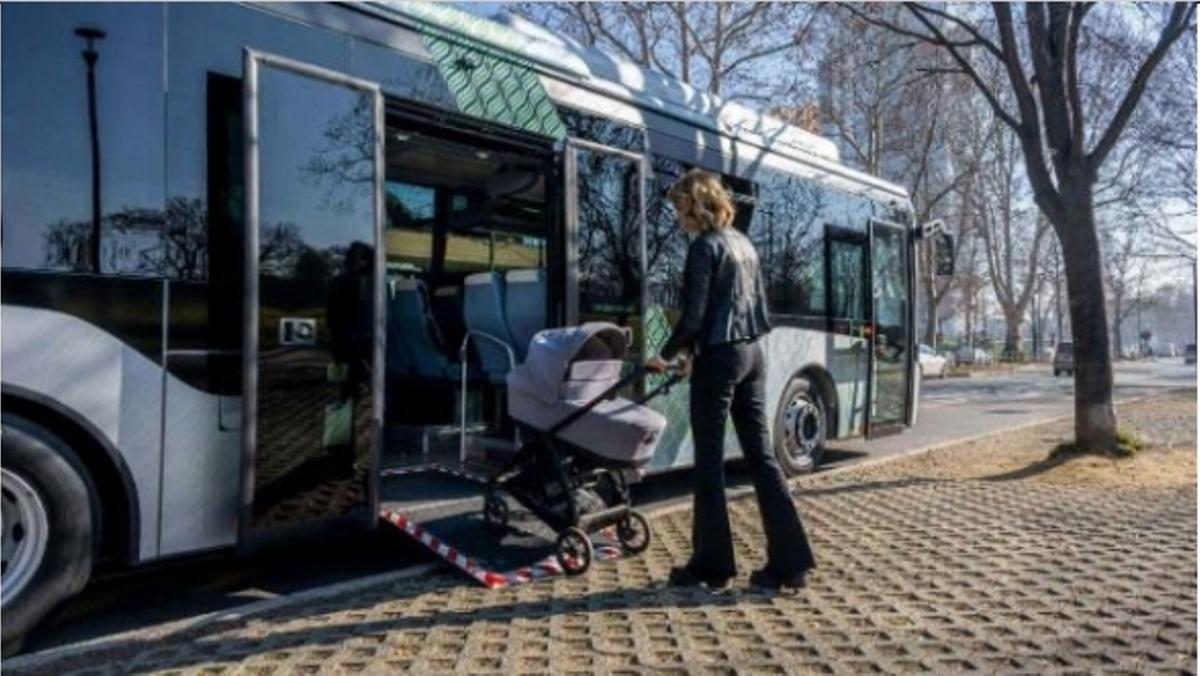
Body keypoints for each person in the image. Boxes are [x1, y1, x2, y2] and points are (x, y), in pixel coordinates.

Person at [647, 168, 815, 590]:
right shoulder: (743, 243)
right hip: (752, 355)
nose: (677, 218)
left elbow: (694, 317)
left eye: (679, 208)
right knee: (762, 457)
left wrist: (664, 355)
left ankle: (711, 565)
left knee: (708, 461)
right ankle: (791, 564)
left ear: (694, 206)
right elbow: (741, 308)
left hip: (719, 359)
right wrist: (694, 354)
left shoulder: (704, 247)